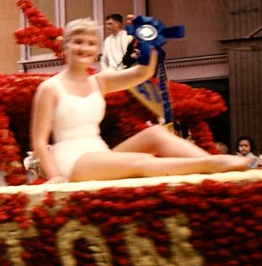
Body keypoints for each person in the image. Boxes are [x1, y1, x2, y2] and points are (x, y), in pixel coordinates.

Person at [30, 18, 249, 183]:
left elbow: (143, 73)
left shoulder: (100, 81)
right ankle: (214, 164)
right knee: (140, 162)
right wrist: (55, 176)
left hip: (101, 154)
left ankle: (213, 173)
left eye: (90, 43)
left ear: (97, 50)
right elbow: (39, 140)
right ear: (65, 46)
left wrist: (149, 41)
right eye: (77, 42)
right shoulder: (50, 88)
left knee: (156, 133)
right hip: (71, 161)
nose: (84, 48)